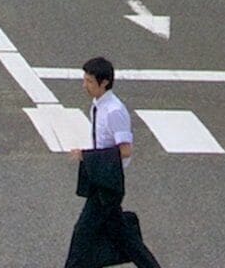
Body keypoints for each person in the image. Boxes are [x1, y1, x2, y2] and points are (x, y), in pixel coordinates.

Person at [62, 57, 162, 268]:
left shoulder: (115, 111)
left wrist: (86, 156)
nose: (85, 86)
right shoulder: (98, 105)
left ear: (104, 82)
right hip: (101, 178)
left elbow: (125, 150)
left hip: (109, 182)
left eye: (89, 81)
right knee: (126, 239)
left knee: (82, 234)